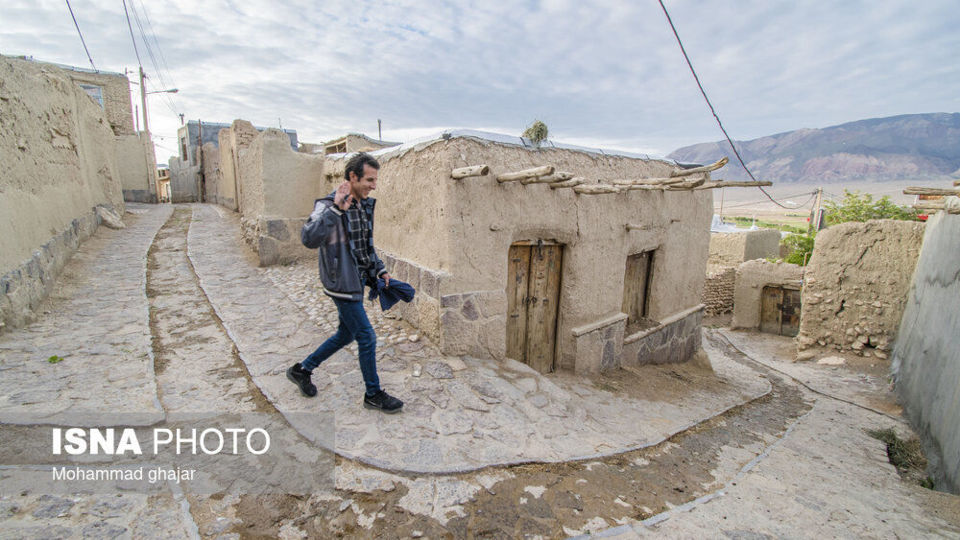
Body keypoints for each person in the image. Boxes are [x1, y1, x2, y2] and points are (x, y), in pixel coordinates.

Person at [287, 152, 404, 414]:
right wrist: (335, 209)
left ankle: (301, 370)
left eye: (375, 180)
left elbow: (364, 247)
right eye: (370, 179)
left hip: (356, 280)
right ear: (352, 177)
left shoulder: (362, 205)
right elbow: (308, 238)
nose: (374, 185)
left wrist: (380, 270)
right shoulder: (327, 205)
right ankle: (373, 394)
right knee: (367, 337)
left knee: (346, 334)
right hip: (341, 284)